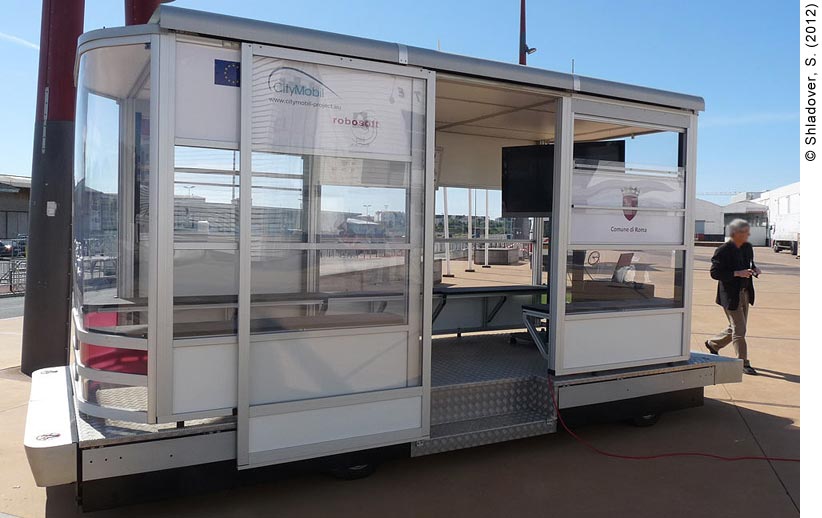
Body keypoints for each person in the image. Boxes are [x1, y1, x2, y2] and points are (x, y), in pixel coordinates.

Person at [705, 219, 760, 375]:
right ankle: (743, 363)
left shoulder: (748, 247)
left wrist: (755, 269)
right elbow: (714, 273)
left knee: (735, 328)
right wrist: (737, 273)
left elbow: (750, 263)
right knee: (740, 329)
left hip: (745, 292)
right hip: (730, 295)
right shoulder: (723, 250)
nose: (747, 235)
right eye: (744, 232)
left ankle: (713, 344)